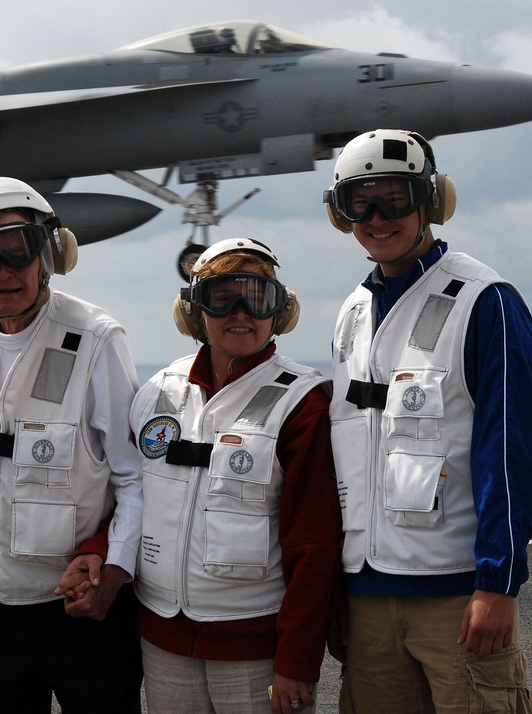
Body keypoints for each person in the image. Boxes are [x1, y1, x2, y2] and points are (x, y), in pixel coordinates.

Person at [322, 129, 532, 713]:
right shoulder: (351, 312)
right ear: (340, 213)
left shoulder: (486, 300)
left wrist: (498, 582)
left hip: (458, 593)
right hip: (368, 595)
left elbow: (511, 450)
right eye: (359, 202)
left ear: (432, 201)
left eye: (395, 199)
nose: (377, 218)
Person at [0, 176, 143, 713]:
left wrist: (112, 573)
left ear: (50, 253)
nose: (4, 272)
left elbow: (135, 478)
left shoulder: (96, 339)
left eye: (18, 249)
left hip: (77, 605)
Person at [126, 238, 341, 713]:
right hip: (163, 641)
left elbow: (315, 544)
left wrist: (297, 661)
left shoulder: (301, 403)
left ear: (279, 309)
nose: (240, 312)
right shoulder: (158, 393)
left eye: (257, 296)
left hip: (257, 649)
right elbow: (124, 497)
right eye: (222, 297)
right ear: (194, 309)